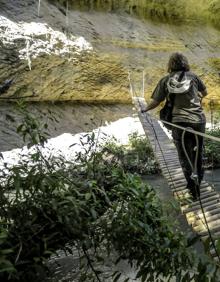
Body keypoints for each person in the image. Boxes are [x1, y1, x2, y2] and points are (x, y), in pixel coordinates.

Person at [141, 52, 207, 200]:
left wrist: (144, 109)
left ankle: (193, 189)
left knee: (184, 156)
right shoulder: (194, 77)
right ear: (185, 63)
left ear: (170, 65)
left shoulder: (165, 80)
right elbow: (205, 92)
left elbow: (156, 102)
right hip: (198, 121)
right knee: (197, 154)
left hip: (179, 122)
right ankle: (197, 183)